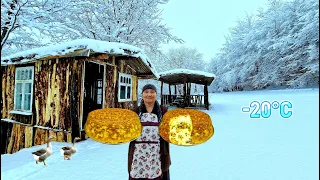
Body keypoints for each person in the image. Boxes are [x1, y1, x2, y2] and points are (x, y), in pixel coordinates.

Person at [128, 84, 171, 180]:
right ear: (142, 94)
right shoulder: (135, 111)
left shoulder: (163, 111)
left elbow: (170, 129)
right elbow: (128, 131)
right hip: (138, 153)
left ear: (156, 94)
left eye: (152, 92)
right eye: (146, 92)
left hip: (158, 152)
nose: (149, 94)